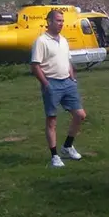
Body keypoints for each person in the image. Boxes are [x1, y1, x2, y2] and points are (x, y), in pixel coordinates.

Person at [30, 9, 87, 168]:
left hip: (68, 82)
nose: (61, 23)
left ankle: (67, 146)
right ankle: (55, 156)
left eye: (62, 21)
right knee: (52, 120)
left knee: (80, 115)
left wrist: (72, 77)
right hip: (52, 83)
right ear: (49, 22)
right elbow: (35, 65)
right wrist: (46, 84)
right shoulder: (41, 41)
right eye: (58, 20)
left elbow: (67, 60)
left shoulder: (63, 40)